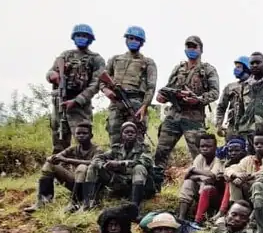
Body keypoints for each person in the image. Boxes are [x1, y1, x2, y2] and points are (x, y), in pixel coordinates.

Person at [153, 36, 220, 189]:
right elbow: (168, 87)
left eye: (194, 47)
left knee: (200, 155)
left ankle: (201, 189)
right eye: (188, 46)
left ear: (200, 49)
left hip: (194, 118)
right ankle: (156, 187)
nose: (191, 50)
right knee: (161, 152)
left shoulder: (208, 70)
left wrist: (198, 100)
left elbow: (215, 92)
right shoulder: (178, 68)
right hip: (173, 116)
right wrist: (162, 96)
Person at [47, 24, 106, 152]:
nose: (81, 38)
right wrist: (52, 75)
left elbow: (95, 84)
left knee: (83, 140)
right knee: (59, 138)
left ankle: (83, 168)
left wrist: (77, 100)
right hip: (60, 102)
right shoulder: (65, 55)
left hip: (80, 105)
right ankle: (59, 168)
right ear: (73, 38)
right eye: (78, 35)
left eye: (84, 36)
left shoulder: (96, 59)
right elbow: (50, 72)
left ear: (90, 39)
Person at [25, 121, 99, 213]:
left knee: (82, 167)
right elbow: (56, 157)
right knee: (49, 165)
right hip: (76, 182)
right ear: (75, 135)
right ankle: (43, 201)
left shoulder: (97, 150)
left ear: (91, 135)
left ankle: (74, 202)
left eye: (84, 133)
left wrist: (67, 160)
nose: (81, 135)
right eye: (78, 133)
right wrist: (52, 158)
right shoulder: (73, 148)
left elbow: (93, 163)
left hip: (91, 186)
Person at [102, 26, 157, 146]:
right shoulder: (115, 59)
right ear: (126, 40)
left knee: (136, 137)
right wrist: (105, 90)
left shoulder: (148, 62)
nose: (133, 41)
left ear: (142, 43)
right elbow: (101, 78)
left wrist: (144, 106)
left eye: (137, 39)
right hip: (116, 102)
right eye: (131, 38)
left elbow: (151, 87)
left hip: (136, 103)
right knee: (115, 135)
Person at [83, 122, 155, 210]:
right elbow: (97, 158)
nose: (130, 134)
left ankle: (134, 206)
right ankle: (88, 202)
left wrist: (120, 163)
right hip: (119, 181)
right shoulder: (116, 149)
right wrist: (104, 165)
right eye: (126, 132)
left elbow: (146, 161)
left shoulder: (144, 147)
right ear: (121, 135)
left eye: (132, 132)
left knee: (139, 167)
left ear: (136, 135)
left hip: (137, 183)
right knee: (93, 166)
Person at [221, 129, 263, 213]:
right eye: (256, 144)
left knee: (256, 184)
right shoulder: (249, 159)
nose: (259, 146)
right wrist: (236, 174)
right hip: (251, 192)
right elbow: (229, 169)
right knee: (234, 180)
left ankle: (253, 217)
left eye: (262, 144)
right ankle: (236, 212)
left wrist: (245, 177)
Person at [177, 133, 224, 223]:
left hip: (215, 195)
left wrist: (193, 169)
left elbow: (211, 176)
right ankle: (181, 217)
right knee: (188, 183)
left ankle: (197, 220)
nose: (204, 148)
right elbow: (187, 176)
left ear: (215, 147)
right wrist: (200, 177)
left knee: (207, 186)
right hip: (200, 191)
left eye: (208, 146)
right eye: (202, 146)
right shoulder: (200, 157)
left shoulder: (218, 160)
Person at [216, 56, 251, 138]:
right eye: (235, 67)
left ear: (246, 69)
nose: (235, 69)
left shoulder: (256, 86)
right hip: (232, 129)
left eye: (239, 67)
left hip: (250, 130)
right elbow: (221, 107)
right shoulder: (230, 87)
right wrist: (219, 125)